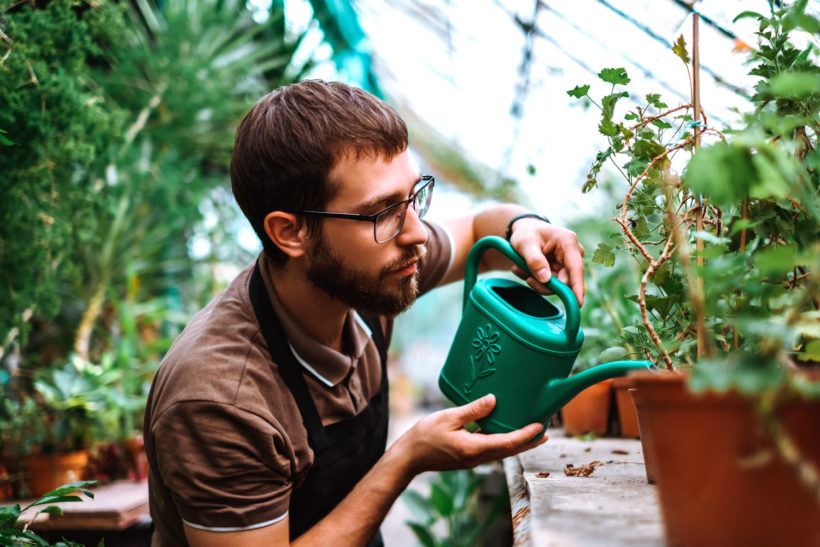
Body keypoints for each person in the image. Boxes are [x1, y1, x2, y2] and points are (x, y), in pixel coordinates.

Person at [144, 80, 585, 547]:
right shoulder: (220, 398)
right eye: (383, 211)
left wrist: (527, 227)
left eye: (415, 196)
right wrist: (407, 458)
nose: (417, 232)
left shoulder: (370, 271)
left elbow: (479, 228)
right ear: (290, 233)